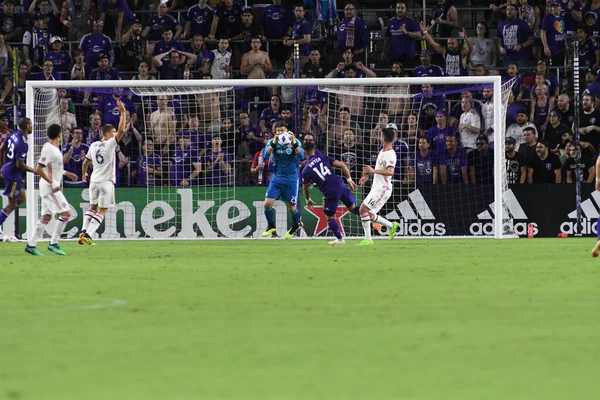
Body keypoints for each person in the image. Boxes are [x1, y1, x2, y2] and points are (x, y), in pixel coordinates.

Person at [25, 124, 78, 256]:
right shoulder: (49, 148)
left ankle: (31, 244)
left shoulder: (54, 149)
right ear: (59, 134)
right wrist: (53, 182)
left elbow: (53, 168)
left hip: (50, 185)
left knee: (46, 216)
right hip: (50, 187)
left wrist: (66, 173)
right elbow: (39, 169)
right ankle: (53, 243)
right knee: (66, 212)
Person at [79, 100, 127, 244]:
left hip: (93, 182)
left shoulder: (93, 145)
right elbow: (122, 130)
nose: (115, 135)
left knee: (92, 207)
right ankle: (88, 234)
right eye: (113, 133)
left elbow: (85, 162)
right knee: (102, 210)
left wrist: (83, 174)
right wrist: (123, 113)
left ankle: (83, 230)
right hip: (106, 182)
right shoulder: (110, 144)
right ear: (107, 134)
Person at [301, 141, 360, 245]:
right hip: (340, 184)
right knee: (353, 208)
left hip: (330, 191)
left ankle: (340, 239)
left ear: (304, 153)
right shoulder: (324, 157)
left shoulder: (306, 170)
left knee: (329, 217)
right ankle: (374, 216)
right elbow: (342, 165)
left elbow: (305, 188)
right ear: (314, 150)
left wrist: (307, 199)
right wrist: (349, 180)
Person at [0, 118, 51, 235]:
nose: (32, 127)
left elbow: (1, 148)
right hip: (13, 173)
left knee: (22, 197)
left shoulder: (13, 134)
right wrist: (34, 170)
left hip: (11, 170)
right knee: (12, 204)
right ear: (28, 126)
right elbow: (19, 164)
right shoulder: (22, 143)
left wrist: (2, 165)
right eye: (31, 125)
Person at [356, 127, 399, 246]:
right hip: (377, 187)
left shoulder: (390, 154)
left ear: (383, 138)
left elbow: (390, 172)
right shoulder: (382, 151)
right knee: (368, 214)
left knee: (363, 210)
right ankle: (391, 226)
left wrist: (373, 171)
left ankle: (368, 239)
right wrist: (368, 176)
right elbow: (378, 170)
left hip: (383, 188)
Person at [262, 121, 305, 239]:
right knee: (267, 204)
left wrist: (295, 144)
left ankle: (296, 225)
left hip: (291, 178)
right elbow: (265, 156)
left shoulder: (294, 141)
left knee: (292, 207)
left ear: (287, 131)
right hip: (277, 178)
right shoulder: (272, 142)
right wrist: (274, 144)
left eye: (282, 130)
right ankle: (271, 226)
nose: (280, 132)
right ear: (275, 132)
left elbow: (302, 158)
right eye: (278, 130)